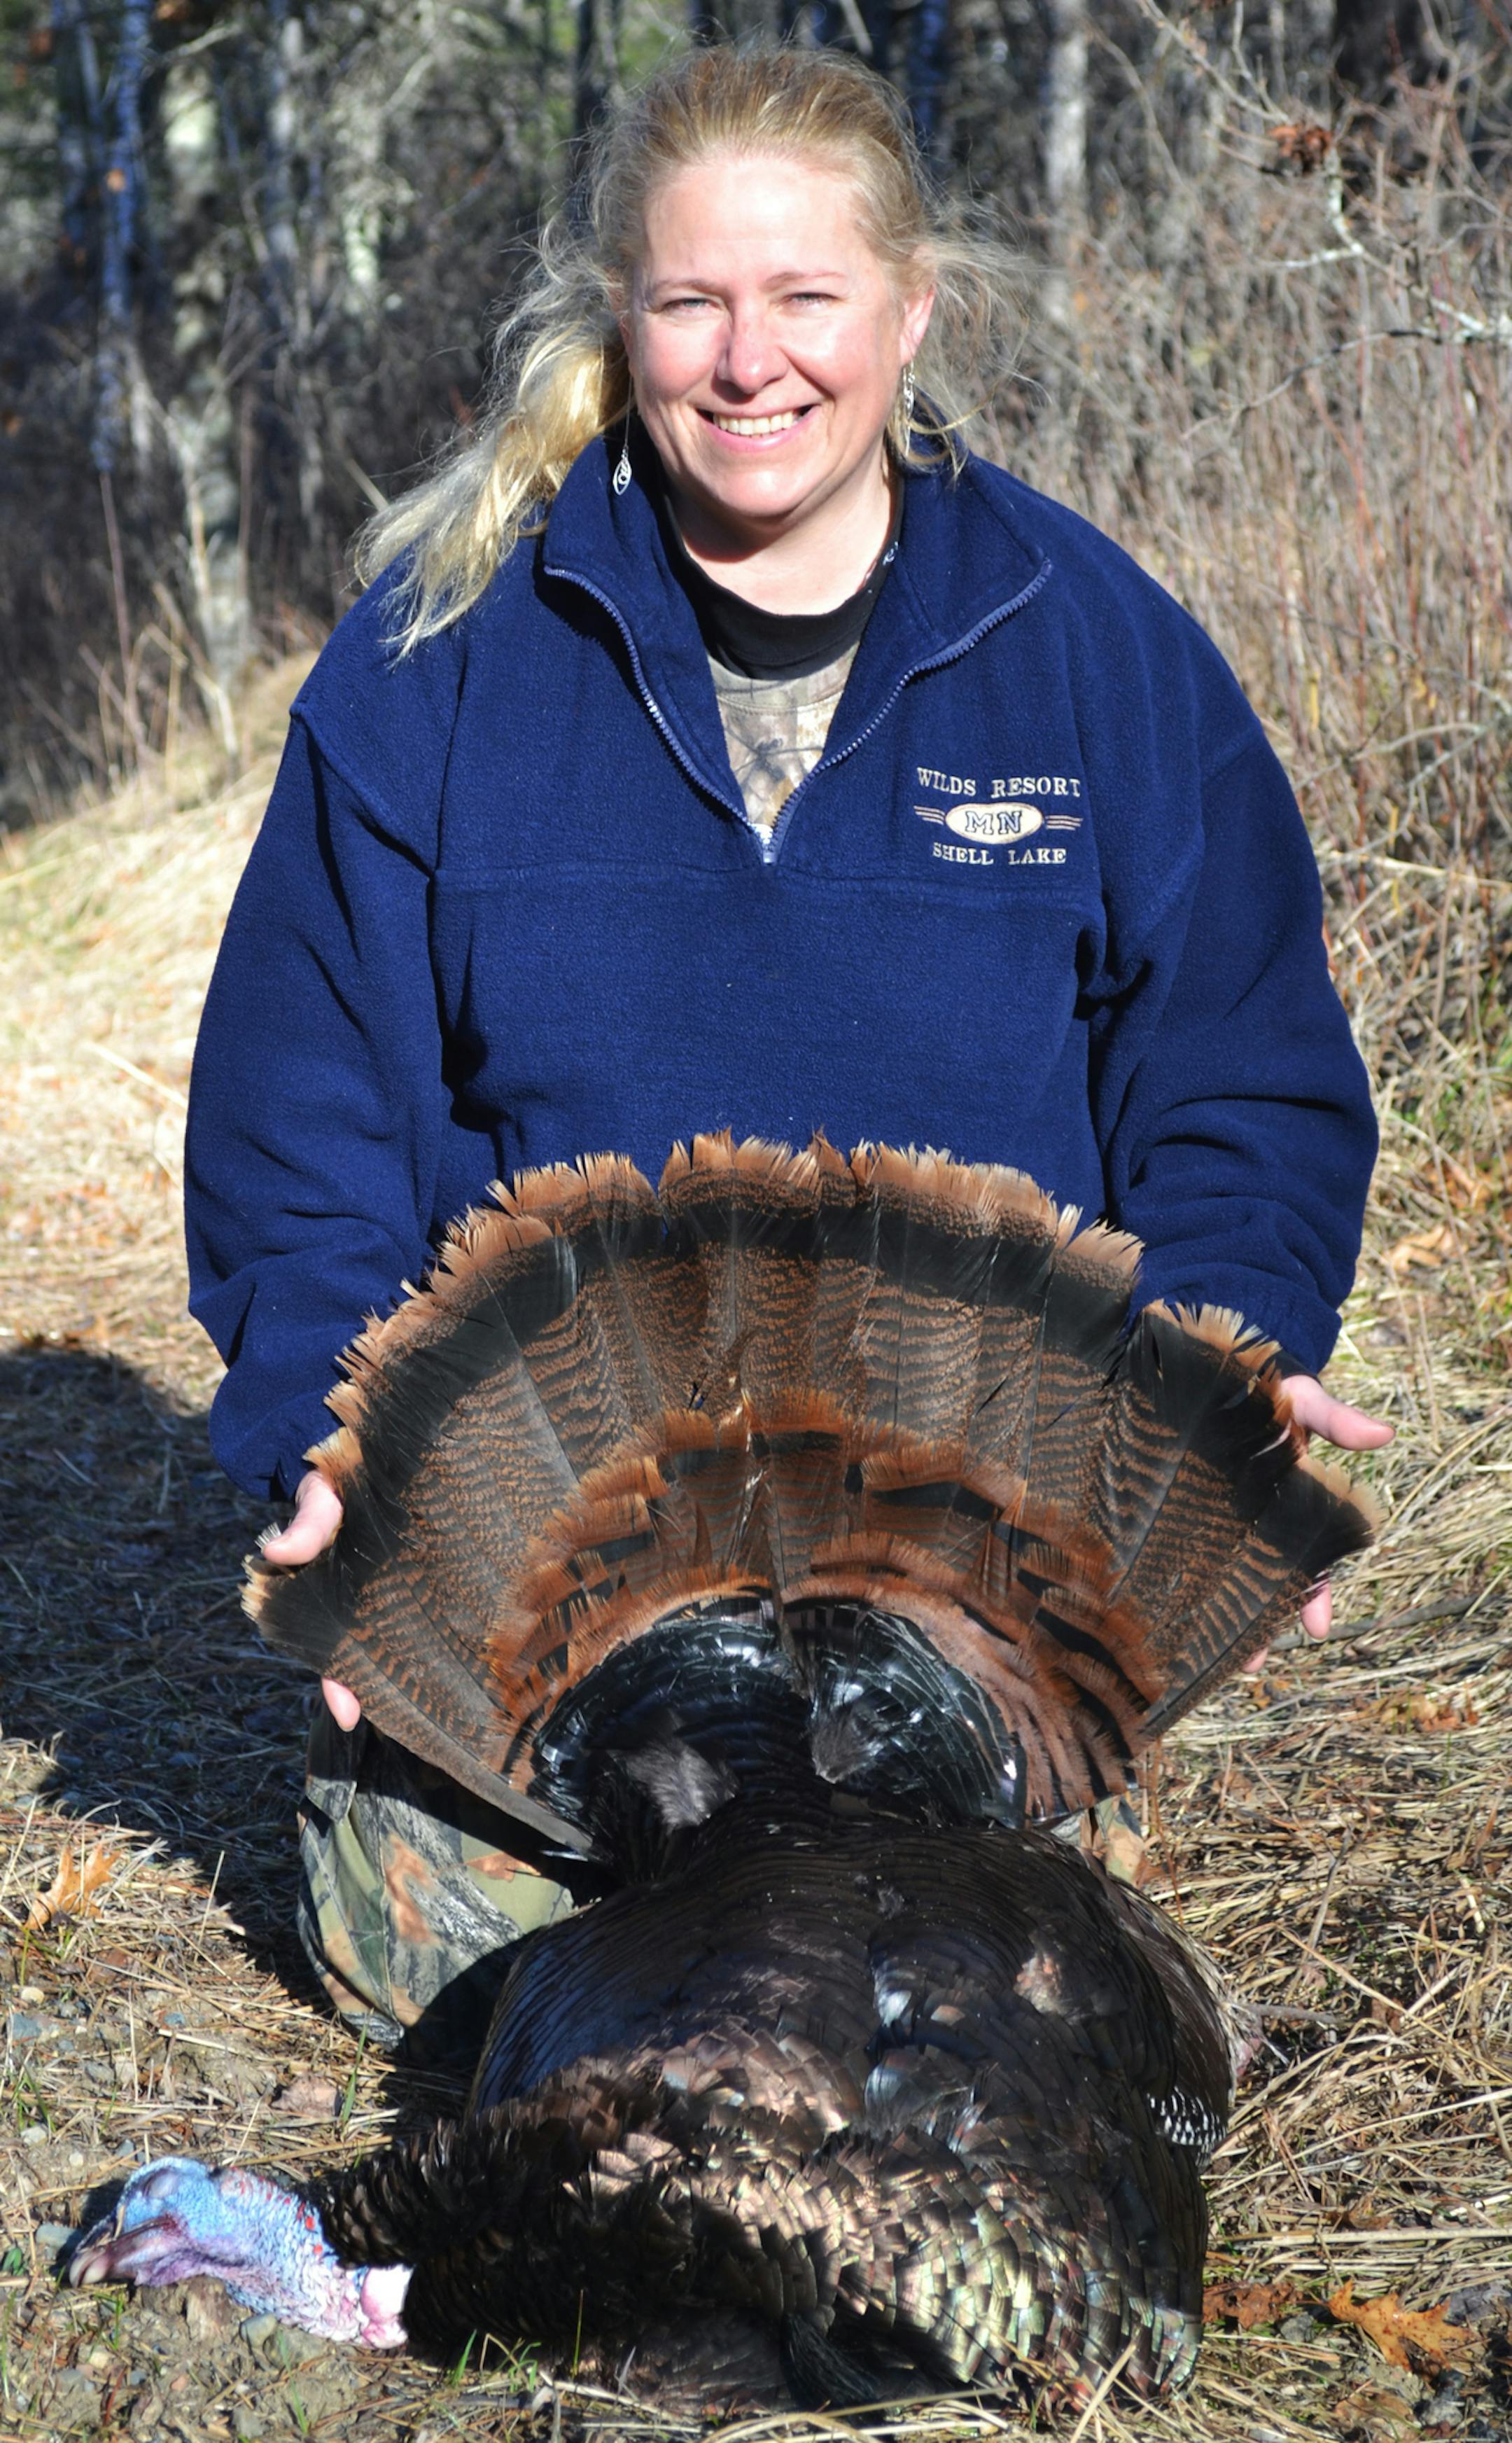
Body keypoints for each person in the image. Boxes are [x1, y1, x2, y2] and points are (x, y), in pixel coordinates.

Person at [186, 42, 1390, 2057]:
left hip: (964, 1564)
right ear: (622, 322)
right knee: (461, 1973)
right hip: (565, 1574)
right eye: (691, 302)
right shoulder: (441, 659)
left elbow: (1243, 1083)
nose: (750, 363)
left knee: (958, 1994)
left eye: (807, 297)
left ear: (911, 313)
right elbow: (302, 1119)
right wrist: (336, 1448)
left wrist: (1219, 1368)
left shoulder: (1093, 651)